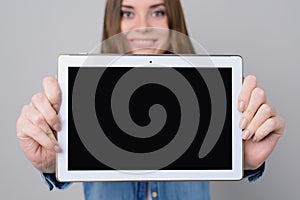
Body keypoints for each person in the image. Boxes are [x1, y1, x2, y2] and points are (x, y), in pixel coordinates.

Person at [16, 0, 285, 199]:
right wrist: (53, 162)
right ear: (115, 22)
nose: (142, 26)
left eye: (157, 11)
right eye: (127, 12)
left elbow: (237, 155)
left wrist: (243, 160)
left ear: (172, 21)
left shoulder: (211, 96)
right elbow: (65, 161)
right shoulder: (83, 95)